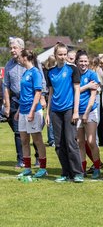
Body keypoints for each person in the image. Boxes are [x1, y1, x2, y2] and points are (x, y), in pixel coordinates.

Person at [46, 42, 83, 183]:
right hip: (55, 111)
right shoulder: (51, 72)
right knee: (59, 144)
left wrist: (75, 111)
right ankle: (65, 173)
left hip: (69, 110)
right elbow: (50, 93)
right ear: (55, 55)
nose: (62, 57)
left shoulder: (73, 70)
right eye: (60, 54)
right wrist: (48, 113)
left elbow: (77, 91)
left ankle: (77, 173)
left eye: (64, 54)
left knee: (70, 142)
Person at [3, 37, 41, 168]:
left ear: (22, 48)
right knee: (19, 134)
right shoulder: (8, 65)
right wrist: (7, 105)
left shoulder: (33, 63)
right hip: (16, 102)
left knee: (35, 134)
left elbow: (41, 83)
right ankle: (22, 160)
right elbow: (6, 86)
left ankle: (38, 159)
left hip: (31, 102)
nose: (12, 50)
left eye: (14, 47)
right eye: (11, 48)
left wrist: (42, 98)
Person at [15, 49, 47, 178]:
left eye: (20, 57)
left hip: (32, 110)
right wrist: (18, 111)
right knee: (24, 140)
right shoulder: (25, 73)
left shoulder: (35, 73)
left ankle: (43, 168)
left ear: (24, 58)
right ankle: (27, 168)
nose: (18, 59)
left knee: (37, 140)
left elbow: (38, 93)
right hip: (22, 111)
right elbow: (24, 94)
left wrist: (32, 111)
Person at [75, 50, 102, 179]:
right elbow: (73, 92)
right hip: (77, 112)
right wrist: (86, 86)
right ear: (77, 62)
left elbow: (93, 96)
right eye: (81, 61)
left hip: (90, 111)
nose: (83, 63)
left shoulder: (92, 75)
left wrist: (86, 113)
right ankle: (82, 169)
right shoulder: (74, 75)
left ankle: (97, 167)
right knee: (80, 142)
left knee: (91, 141)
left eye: (85, 61)